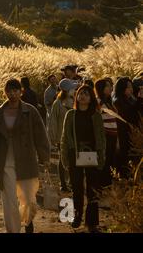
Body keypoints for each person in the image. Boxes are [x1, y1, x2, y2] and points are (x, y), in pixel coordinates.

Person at [0, 79, 50, 233]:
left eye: (15, 90)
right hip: (4, 162)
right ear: (4, 92)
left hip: (26, 160)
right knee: (9, 202)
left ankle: (27, 222)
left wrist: (44, 157)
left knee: (28, 199)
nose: (12, 94)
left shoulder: (30, 111)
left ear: (21, 92)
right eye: (9, 91)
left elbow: (40, 135)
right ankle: (13, 230)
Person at [60, 85, 106, 233]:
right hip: (75, 154)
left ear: (91, 97)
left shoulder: (96, 115)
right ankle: (77, 217)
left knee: (92, 189)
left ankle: (92, 222)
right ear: (77, 97)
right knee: (77, 188)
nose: (83, 96)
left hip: (92, 154)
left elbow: (101, 137)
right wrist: (64, 157)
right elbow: (65, 138)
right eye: (81, 93)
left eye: (87, 94)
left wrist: (101, 155)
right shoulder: (71, 115)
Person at [48, 78, 78, 192]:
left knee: (73, 158)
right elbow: (53, 121)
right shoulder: (58, 103)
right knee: (62, 159)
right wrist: (54, 137)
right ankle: (63, 183)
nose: (74, 90)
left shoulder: (74, 101)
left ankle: (71, 181)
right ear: (66, 90)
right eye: (72, 88)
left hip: (74, 135)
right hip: (62, 136)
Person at [113, 77, 143, 179]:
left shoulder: (131, 99)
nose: (131, 89)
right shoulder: (118, 101)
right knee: (125, 160)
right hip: (124, 135)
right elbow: (130, 115)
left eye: (131, 86)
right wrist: (139, 100)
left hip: (133, 134)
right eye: (128, 87)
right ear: (122, 88)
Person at [94, 79, 119, 188]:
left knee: (110, 158)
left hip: (112, 134)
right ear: (101, 89)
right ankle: (102, 183)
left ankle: (107, 181)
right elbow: (96, 120)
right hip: (106, 135)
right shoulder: (98, 101)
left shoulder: (109, 101)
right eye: (107, 86)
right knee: (105, 159)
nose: (110, 88)